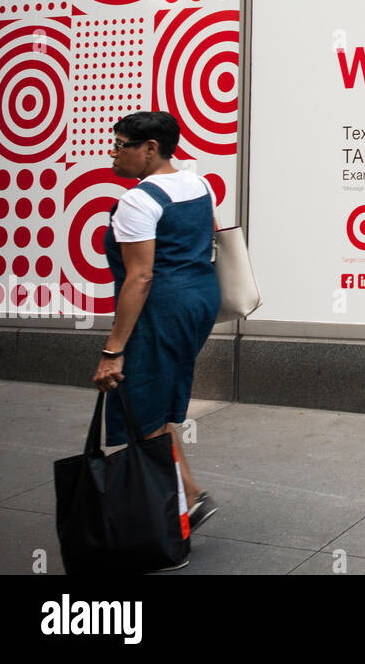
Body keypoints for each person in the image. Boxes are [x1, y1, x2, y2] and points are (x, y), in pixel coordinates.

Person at [91, 111, 221, 550]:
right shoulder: (198, 184)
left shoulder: (137, 201)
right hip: (199, 300)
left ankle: (171, 520)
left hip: (161, 309)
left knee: (141, 408)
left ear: (150, 149)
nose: (113, 152)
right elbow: (207, 238)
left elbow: (140, 278)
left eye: (122, 144)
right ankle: (189, 496)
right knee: (157, 405)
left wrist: (113, 349)